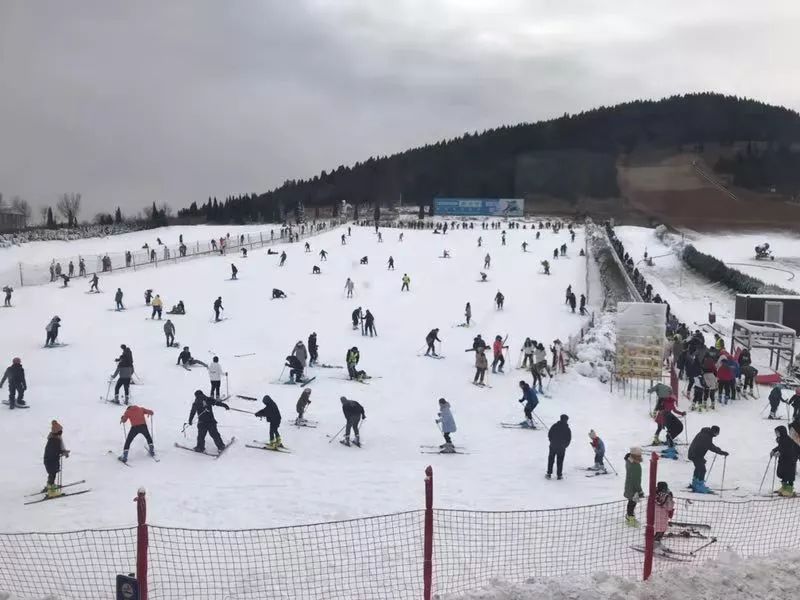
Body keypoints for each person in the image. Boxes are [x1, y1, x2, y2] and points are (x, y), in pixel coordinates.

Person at [687, 425, 729, 493]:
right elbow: (710, 446)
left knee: (698, 467)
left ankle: (695, 483)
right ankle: (699, 486)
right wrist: (721, 452)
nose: (717, 435)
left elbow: (709, 445)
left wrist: (718, 450)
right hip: (695, 454)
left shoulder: (706, 434)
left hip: (695, 453)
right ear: (714, 432)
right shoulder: (706, 436)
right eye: (717, 433)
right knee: (702, 469)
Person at [43, 420, 70, 498]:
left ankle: (50, 486)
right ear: (57, 432)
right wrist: (62, 452)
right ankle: (51, 491)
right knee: (52, 474)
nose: (61, 433)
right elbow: (54, 451)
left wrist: (62, 452)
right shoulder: (54, 440)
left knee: (52, 474)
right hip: (51, 461)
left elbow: (56, 450)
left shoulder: (54, 439)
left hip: (50, 460)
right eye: (60, 432)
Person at [772, 425, 798, 497]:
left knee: (789, 474)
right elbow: (780, 447)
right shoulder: (781, 439)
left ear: (782, 432)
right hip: (784, 459)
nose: (776, 434)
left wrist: (780, 453)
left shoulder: (788, 439)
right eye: (776, 432)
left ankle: (789, 489)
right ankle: (784, 487)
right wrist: (774, 450)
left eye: (777, 432)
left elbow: (788, 449)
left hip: (790, 460)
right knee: (782, 472)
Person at [623, 447, 644, 526]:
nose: (640, 456)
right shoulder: (635, 465)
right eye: (639, 455)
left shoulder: (629, 461)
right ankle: (630, 518)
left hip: (629, 485)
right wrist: (639, 491)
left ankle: (630, 516)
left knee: (631, 502)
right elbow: (636, 480)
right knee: (632, 502)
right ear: (635, 456)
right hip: (633, 488)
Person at [546, 414, 571, 480]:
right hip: (561, 448)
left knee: (551, 460)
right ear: (566, 420)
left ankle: (549, 474)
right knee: (560, 461)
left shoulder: (554, 426)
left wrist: (552, 442)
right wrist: (565, 446)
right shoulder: (567, 429)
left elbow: (549, 435)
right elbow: (569, 439)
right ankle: (559, 475)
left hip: (553, 446)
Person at [653, 482, 675, 546]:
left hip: (656, 514)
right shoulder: (667, 496)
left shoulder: (654, 493)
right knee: (663, 528)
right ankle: (656, 541)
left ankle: (656, 540)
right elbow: (669, 507)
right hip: (664, 514)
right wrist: (672, 502)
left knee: (658, 527)